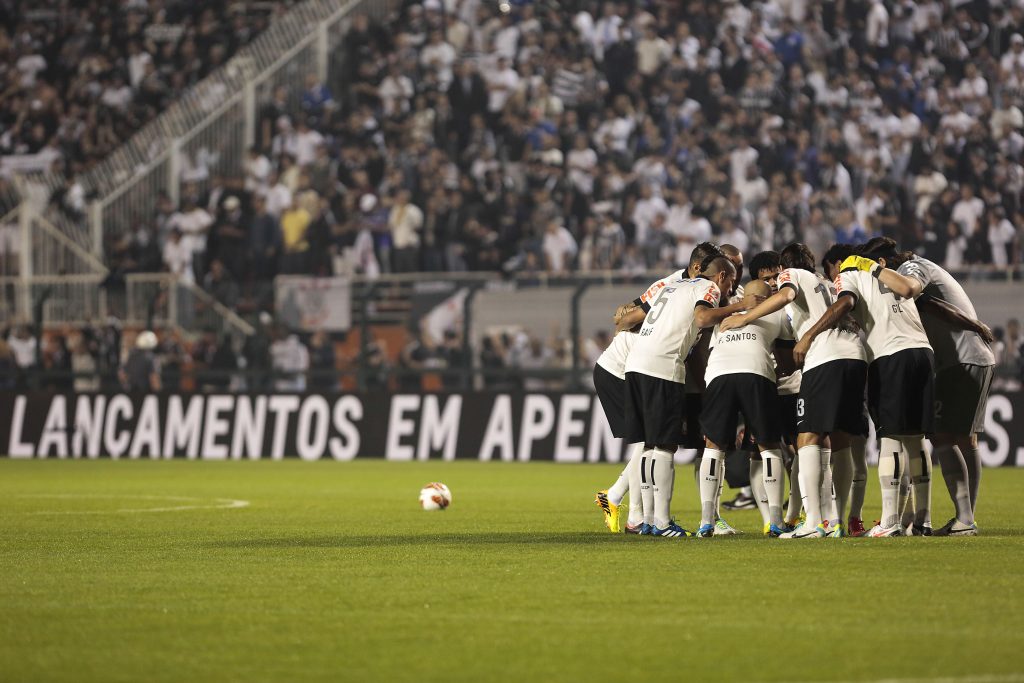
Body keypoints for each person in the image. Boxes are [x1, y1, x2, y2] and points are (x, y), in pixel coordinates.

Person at [723, 243, 870, 537]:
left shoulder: (792, 277)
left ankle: (814, 521)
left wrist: (744, 317)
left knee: (808, 439)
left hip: (824, 357)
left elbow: (787, 294)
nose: (776, 281)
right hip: (855, 356)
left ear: (786, 267)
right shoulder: (828, 283)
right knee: (840, 440)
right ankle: (836, 520)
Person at [861, 237, 995, 536]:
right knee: (964, 439)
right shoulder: (916, 267)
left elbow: (928, 301)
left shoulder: (912, 267)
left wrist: (974, 325)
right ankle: (965, 518)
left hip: (961, 358)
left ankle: (965, 517)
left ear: (881, 264)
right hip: (968, 357)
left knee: (940, 434)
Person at [795, 253, 935, 537]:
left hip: (890, 355)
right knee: (915, 438)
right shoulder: (890, 276)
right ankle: (923, 519)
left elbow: (846, 301)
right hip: (923, 351)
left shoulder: (850, 274)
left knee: (890, 435)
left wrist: (809, 334)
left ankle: (889, 520)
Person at [614, 255, 754, 537]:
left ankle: (650, 521)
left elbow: (626, 319)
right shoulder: (710, 288)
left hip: (636, 364)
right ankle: (663, 523)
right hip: (663, 367)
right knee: (665, 446)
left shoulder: (673, 286)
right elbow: (702, 317)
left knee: (651, 445)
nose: (727, 293)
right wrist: (740, 307)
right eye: (729, 284)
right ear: (722, 277)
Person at [699, 279, 795, 537]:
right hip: (757, 374)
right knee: (769, 446)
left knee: (714, 447)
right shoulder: (777, 314)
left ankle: (706, 521)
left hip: (719, 375)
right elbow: (787, 359)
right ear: (768, 297)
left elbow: (712, 351)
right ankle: (776, 521)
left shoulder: (725, 317)